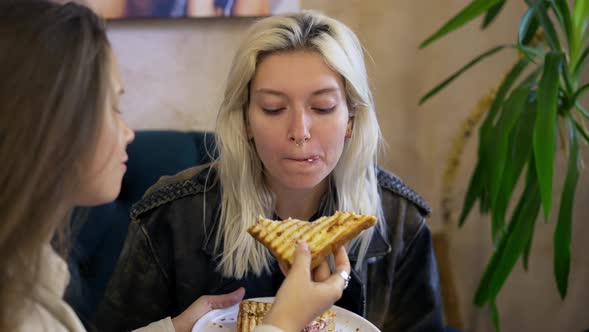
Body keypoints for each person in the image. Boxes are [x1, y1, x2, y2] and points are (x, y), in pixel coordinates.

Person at [0, 2, 348, 332]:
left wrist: (173, 328)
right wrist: (283, 322)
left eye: (323, 106)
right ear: (49, 129)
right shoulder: (19, 311)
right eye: (112, 106)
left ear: (353, 118)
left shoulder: (30, 273)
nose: (128, 131)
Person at [96, 10, 444, 332]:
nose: (300, 131)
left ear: (351, 119)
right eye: (273, 108)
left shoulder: (401, 221)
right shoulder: (172, 216)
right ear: (246, 118)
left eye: (323, 107)